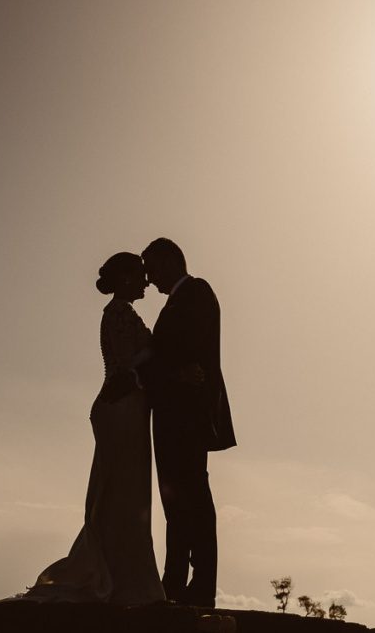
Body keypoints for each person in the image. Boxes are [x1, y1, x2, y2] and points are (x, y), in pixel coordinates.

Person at [23, 252, 166, 604]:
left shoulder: (122, 313)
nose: (147, 282)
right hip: (121, 407)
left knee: (126, 492)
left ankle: (126, 572)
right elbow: (123, 365)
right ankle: (121, 577)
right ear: (127, 279)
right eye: (141, 276)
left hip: (127, 407)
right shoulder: (118, 313)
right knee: (121, 491)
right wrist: (154, 355)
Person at [139, 238, 236, 608]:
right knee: (175, 499)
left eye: (151, 268)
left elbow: (186, 353)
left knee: (192, 496)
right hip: (172, 414)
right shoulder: (177, 301)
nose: (148, 279)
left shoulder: (195, 292)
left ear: (168, 262)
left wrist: (170, 372)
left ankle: (198, 584)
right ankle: (176, 580)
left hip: (186, 414)